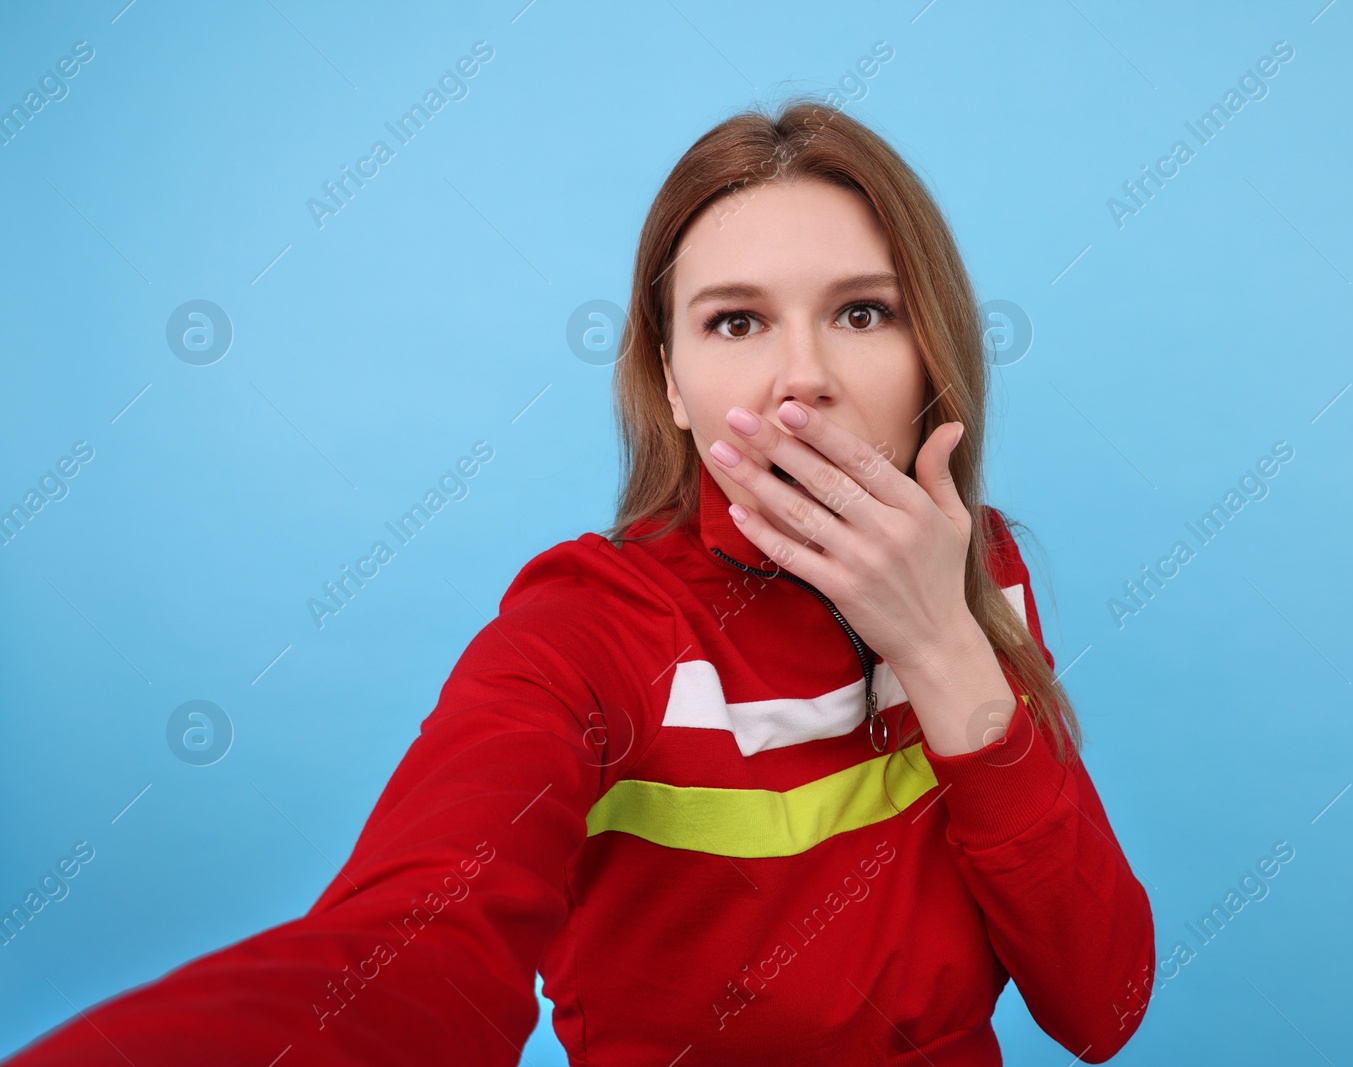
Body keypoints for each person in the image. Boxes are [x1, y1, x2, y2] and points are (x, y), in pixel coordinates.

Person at [4, 98, 1155, 1066]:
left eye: (862, 311)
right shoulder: (589, 629)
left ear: (930, 352)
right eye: (736, 320)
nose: (802, 377)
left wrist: (950, 652)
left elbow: (1099, 1004)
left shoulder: (983, 566)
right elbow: (412, 947)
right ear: (670, 380)